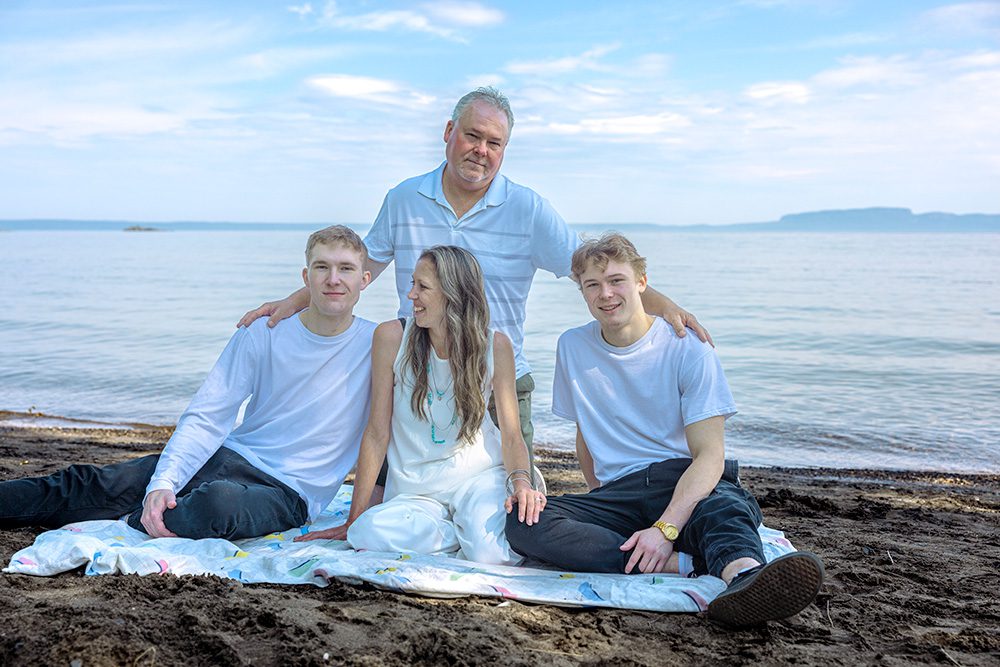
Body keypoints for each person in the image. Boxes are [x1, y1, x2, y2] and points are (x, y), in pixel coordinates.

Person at [238, 87, 711, 462]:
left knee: (514, 512)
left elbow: (597, 271)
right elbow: (357, 273)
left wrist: (665, 307)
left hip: (499, 380)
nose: (481, 151)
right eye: (472, 136)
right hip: (417, 376)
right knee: (396, 501)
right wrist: (292, 302)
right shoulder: (405, 198)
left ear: (505, 149)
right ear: (449, 131)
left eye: (494, 143)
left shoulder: (527, 209)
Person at [504, 233, 824, 627]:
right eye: (593, 285)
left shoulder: (688, 347)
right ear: (582, 291)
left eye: (616, 280)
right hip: (618, 492)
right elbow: (586, 435)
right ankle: (685, 563)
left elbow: (710, 456)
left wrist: (665, 526)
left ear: (641, 282)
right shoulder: (572, 346)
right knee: (525, 522)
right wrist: (602, 499)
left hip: (681, 478)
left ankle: (744, 576)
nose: (606, 294)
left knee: (723, 507)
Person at [0, 226, 376, 541]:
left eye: (345, 269)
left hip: (289, 492)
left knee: (218, 504)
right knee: (91, 482)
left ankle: (130, 522)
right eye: (322, 267)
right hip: (227, 455)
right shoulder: (264, 331)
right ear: (305, 276)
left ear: (365, 280)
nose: (333, 279)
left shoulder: (381, 345)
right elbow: (210, 414)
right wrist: (162, 483)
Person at [295, 246, 543, 565]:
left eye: (422, 287)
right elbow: (376, 433)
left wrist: (521, 482)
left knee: (489, 554)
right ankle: (462, 531)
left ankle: (472, 530)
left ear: (454, 294)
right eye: (412, 283)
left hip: (478, 477)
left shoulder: (495, 346)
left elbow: (511, 434)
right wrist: (352, 519)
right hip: (415, 491)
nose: (411, 295)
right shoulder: (392, 337)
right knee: (365, 534)